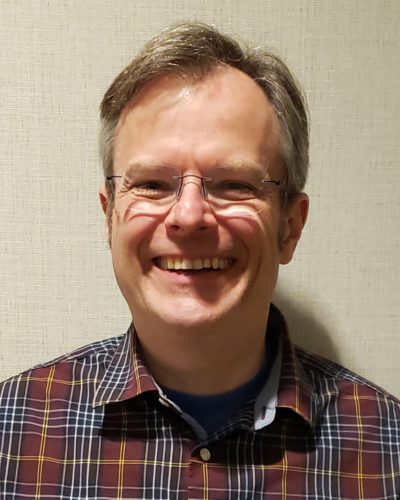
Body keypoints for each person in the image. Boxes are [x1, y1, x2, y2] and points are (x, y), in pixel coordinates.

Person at [0, 21, 399, 500]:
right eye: (151, 184)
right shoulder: (13, 431)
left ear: (289, 227)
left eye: (234, 183)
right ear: (109, 220)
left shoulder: (388, 448)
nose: (189, 216)